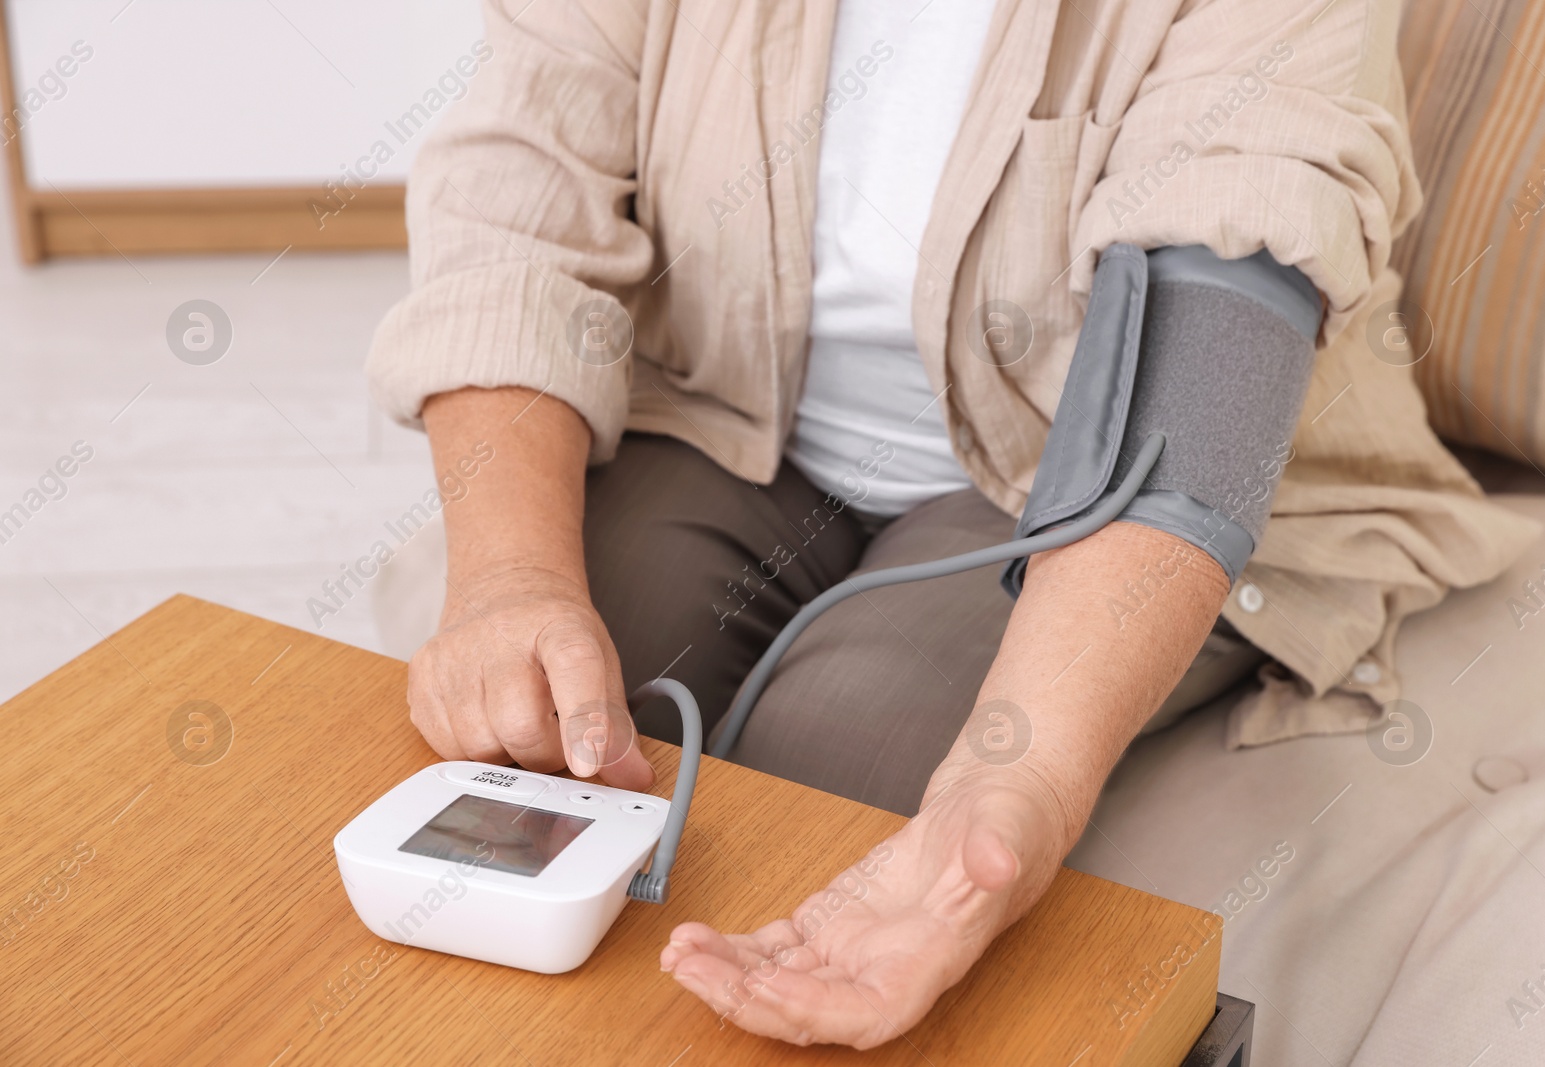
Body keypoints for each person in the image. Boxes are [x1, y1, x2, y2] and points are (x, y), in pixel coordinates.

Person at [368, 0, 1462, 1048]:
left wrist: (1015, 791)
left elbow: (1209, 349)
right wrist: (512, 577)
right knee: (548, 731)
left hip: (1053, 479)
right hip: (726, 410)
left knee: (829, 776)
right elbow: (519, 201)